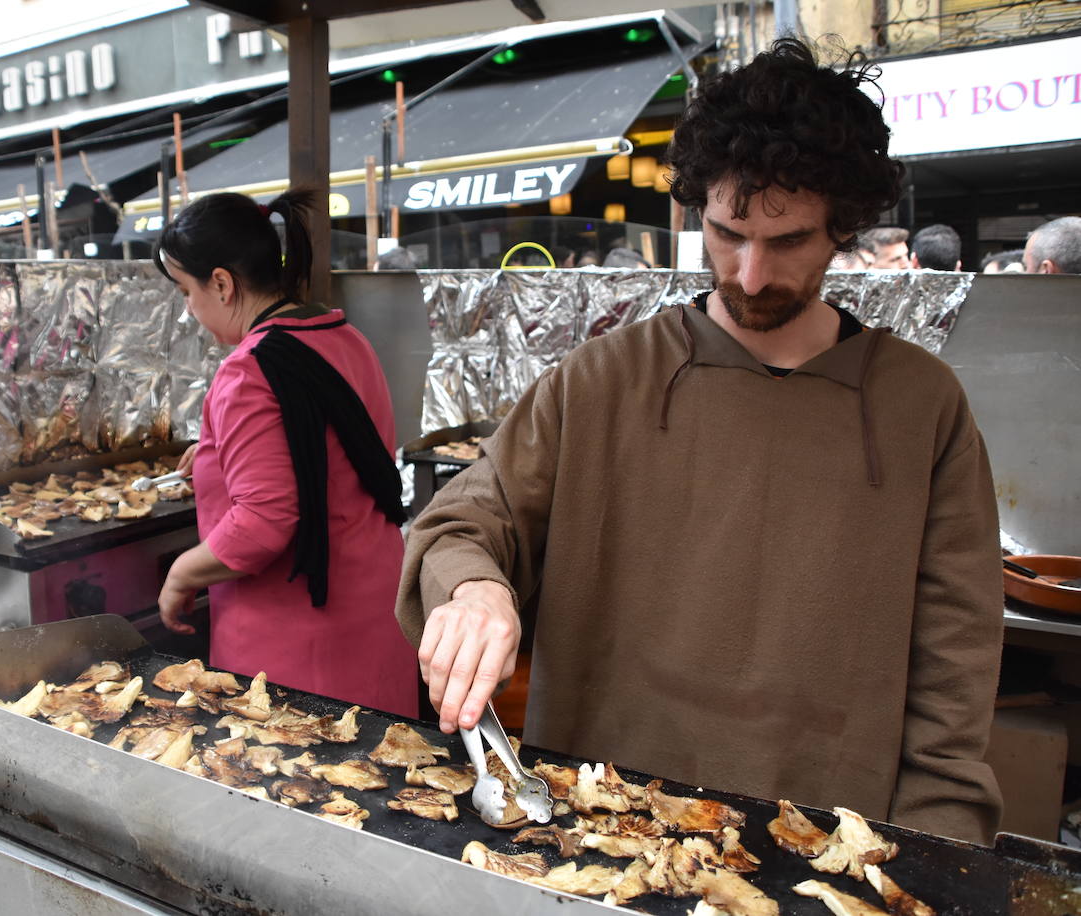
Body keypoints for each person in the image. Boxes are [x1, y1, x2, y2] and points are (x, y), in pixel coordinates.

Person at [397, 37, 1002, 844]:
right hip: (603, 830)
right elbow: (464, 522)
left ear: (843, 230)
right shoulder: (604, 379)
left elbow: (953, 672)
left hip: (822, 844)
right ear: (698, 209)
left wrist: (940, 847)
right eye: (727, 234)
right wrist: (476, 588)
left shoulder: (921, 405)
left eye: (787, 243)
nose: (750, 274)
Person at [154, 189, 419, 718]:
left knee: (306, 789)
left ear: (222, 284)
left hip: (299, 645)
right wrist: (214, 453)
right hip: (375, 612)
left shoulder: (248, 369)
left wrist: (181, 574)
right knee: (387, 779)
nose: (190, 310)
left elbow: (265, 520)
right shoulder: (342, 336)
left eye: (186, 291)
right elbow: (322, 450)